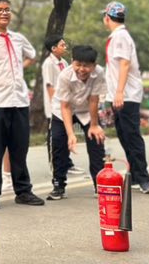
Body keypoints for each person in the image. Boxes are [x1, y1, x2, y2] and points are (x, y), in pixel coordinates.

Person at [0, 0, 42, 206]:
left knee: (19, 148)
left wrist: (17, 68)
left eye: (7, 9)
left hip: (19, 100)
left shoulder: (17, 38)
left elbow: (32, 55)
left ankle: (23, 191)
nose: (4, 13)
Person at [101, 1, 149, 193]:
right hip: (119, 95)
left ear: (107, 17)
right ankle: (134, 175)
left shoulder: (121, 37)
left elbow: (124, 64)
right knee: (124, 135)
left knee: (132, 136)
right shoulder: (117, 36)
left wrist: (120, 92)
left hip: (126, 95)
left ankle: (143, 178)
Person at [54, 43, 109, 188]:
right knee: (59, 142)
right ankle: (58, 184)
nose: (82, 69)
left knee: (96, 141)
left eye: (86, 66)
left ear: (94, 65)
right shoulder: (65, 76)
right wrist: (71, 134)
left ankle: (100, 184)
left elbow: (93, 99)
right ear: (72, 61)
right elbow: (65, 106)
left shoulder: (99, 73)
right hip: (63, 111)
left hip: (86, 110)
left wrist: (94, 125)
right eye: (78, 64)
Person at [41, 37, 75, 198]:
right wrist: (57, 105)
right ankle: (57, 176)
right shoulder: (49, 63)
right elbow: (50, 86)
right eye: (62, 45)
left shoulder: (65, 63)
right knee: (54, 141)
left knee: (65, 139)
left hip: (66, 107)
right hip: (55, 108)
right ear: (54, 48)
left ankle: (67, 163)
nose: (65, 47)